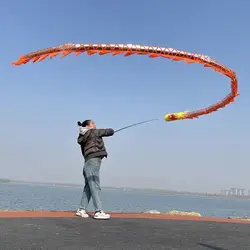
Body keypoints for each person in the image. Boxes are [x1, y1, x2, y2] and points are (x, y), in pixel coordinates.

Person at [76, 119, 115, 219]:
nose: (95, 125)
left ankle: (81, 209)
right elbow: (108, 131)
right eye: (93, 123)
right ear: (88, 126)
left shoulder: (82, 136)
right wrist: (112, 131)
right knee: (95, 185)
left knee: (89, 186)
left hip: (88, 161)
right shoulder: (93, 132)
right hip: (93, 160)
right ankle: (98, 211)